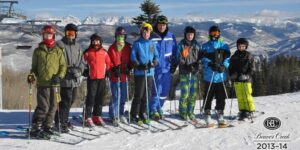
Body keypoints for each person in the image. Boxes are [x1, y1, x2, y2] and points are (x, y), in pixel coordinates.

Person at [27, 25, 67, 138]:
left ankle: (47, 126)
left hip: (55, 84)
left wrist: (59, 76)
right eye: (45, 34)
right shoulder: (38, 51)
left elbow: (63, 66)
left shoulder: (58, 51)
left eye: (49, 34)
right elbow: (34, 67)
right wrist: (32, 75)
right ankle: (36, 126)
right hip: (43, 83)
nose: (47, 36)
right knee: (43, 106)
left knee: (53, 106)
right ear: (42, 35)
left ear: (53, 36)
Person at [54, 23, 84, 133]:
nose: (70, 35)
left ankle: (62, 120)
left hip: (75, 79)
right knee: (65, 101)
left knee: (71, 100)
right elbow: (56, 61)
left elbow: (82, 61)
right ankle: (62, 122)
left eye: (72, 33)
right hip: (64, 78)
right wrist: (66, 70)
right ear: (65, 33)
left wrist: (79, 70)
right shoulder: (59, 45)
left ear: (75, 34)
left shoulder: (78, 46)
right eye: (68, 33)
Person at [201, 25, 230, 126]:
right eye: (212, 33)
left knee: (221, 96)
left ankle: (220, 111)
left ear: (219, 33)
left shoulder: (224, 46)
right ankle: (207, 111)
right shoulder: (205, 46)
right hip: (209, 75)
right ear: (209, 34)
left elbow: (227, 59)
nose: (214, 35)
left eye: (216, 33)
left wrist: (224, 66)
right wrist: (210, 64)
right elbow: (202, 58)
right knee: (208, 95)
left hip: (221, 76)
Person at [130, 23, 158, 125]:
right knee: (139, 94)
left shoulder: (152, 43)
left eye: (148, 32)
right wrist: (139, 65)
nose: (146, 34)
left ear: (150, 32)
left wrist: (154, 62)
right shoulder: (137, 43)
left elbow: (156, 56)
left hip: (150, 72)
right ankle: (134, 114)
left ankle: (143, 112)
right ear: (142, 32)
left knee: (147, 94)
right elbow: (133, 57)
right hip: (140, 73)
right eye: (145, 32)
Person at [150, 15, 177, 120]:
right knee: (156, 90)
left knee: (165, 91)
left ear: (166, 25)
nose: (162, 26)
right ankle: (153, 109)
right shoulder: (152, 36)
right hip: (156, 68)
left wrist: (175, 64)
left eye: (164, 24)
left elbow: (174, 51)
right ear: (157, 24)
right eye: (160, 24)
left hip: (167, 68)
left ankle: (159, 108)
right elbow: (149, 51)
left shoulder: (171, 36)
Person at [172, 26, 201, 120]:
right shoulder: (181, 45)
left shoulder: (196, 45)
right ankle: (183, 112)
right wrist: (186, 65)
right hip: (184, 72)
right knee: (185, 93)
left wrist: (197, 65)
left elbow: (200, 57)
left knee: (193, 94)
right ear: (185, 35)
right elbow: (178, 57)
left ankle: (190, 111)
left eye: (192, 34)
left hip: (194, 73)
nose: (190, 36)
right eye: (188, 34)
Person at [83, 33, 111, 127]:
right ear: (91, 42)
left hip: (102, 78)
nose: (96, 43)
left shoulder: (104, 52)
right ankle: (87, 117)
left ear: (100, 42)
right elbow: (82, 63)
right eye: (94, 41)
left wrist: (108, 71)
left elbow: (108, 63)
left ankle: (97, 115)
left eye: (97, 41)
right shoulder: (87, 52)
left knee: (100, 98)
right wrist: (85, 70)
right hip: (92, 78)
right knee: (91, 97)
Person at [108, 27, 132, 126]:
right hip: (115, 76)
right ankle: (114, 115)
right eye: (118, 36)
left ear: (125, 37)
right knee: (116, 96)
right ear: (116, 37)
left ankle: (121, 113)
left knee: (123, 96)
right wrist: (113, 69)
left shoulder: (127, 48)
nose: (120, 38)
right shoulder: (112, 48)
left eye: (122, 36)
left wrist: (129, 67)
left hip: (124, 76)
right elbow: (108, 61)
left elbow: (131, 60)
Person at [229, 38, 255, 121]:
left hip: (246, 80)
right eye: (240, 46)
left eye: (243, 46)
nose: (241, 48)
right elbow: (231, 68)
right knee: (240, 96)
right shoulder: (234, 56)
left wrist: (247, 76)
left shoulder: (248, 56)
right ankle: (242, 110)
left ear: (246, 47)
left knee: (247, 95)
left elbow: (252, 68)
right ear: (237, 46)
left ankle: (250, 111)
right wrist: (232, 75)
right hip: (237, 80)